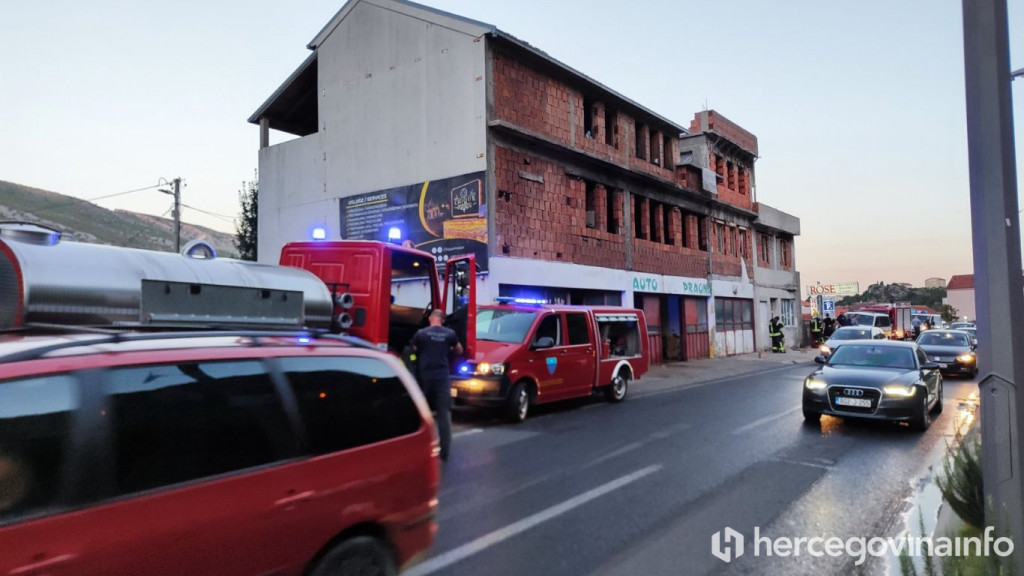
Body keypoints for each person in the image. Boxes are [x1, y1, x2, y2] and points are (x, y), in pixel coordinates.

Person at [410, 309, 463, 462]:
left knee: (421, 413)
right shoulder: (450, 334)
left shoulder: (421, 334)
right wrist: (448, 352)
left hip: (425, 378)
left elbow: (412, 350)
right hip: (442, 378)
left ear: (431, 318)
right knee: (443, 415)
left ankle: (417, 449)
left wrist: (416, 361)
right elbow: (459, 350)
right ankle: (444, 452)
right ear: (442, 320)